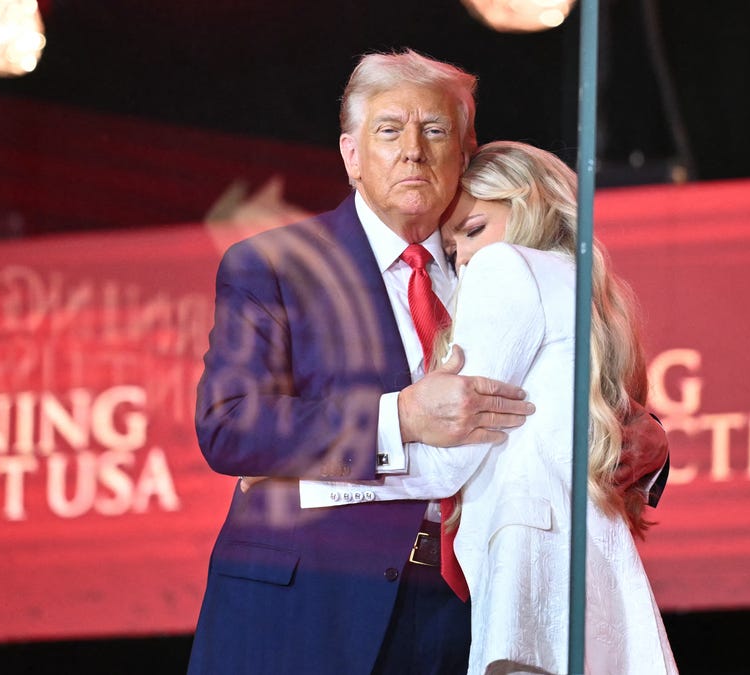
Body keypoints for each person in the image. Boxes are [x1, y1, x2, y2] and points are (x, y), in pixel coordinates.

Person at [188, 50, 669, 675]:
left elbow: (593, 399)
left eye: (434, 130)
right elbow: (229, 424)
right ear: (351, 155)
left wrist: (646, 439)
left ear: (465, 152)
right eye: (389, 130)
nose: (412, 150)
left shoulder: (503, 259)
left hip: (469, 601)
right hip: (311, 607)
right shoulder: (274, 265)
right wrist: (400, 417)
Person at [301, 141, 678, 674]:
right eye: (452, 250)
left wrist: (304, 475)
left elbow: (451, 461)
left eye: (473, 230)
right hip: (593, 572)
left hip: (527, 575)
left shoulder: (505, 266)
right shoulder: (581, 283)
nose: (465, 258)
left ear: (528, 203)